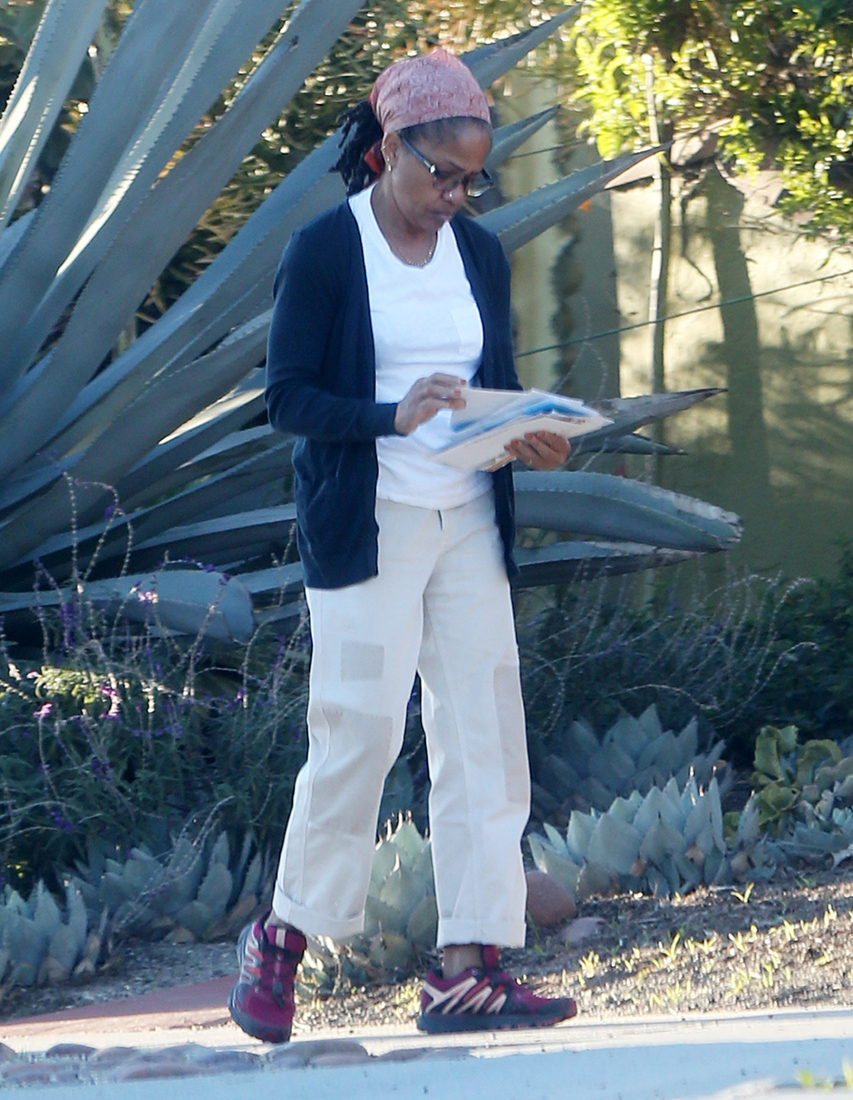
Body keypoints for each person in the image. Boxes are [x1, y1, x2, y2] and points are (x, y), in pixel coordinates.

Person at [228, 47, 577, 1043]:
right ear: (391, 150)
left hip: (465, 516)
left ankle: (466, 966)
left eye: (476, 178)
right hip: (367, 521)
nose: (459, 196)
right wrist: (390, 414)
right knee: (359, 732)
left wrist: (528, 436)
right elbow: (287, 397)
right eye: (444, 174)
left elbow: (490, 385)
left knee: (483, 733)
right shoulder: (328, 250)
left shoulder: (479, 254)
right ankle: (282, 938)